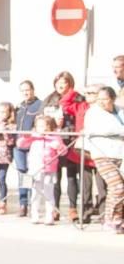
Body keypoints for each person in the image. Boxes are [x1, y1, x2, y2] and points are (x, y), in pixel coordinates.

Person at [42, 71, 90, 222]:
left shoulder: (78, 98)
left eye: (64, 82)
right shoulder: (49, 99)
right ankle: (55, 208)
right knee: (56, 176)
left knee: (71, 176)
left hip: (71, 139)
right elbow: (41, 119)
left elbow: (82, 116)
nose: (60, 85)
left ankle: (72, 208)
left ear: (70, 83)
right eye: (58, 83)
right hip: (54, 140)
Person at [83, 86, 124, 233]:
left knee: (120, 189)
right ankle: (109, 219)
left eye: (105, 99)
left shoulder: (120, 111)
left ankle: (118, 219)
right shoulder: (93, 112)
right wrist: (120, 131)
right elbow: (96, 130)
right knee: (117, 186)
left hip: (120, 153)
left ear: (112, 99)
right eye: (99, 99)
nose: (101, 102)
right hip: (102, 154)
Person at [17, 116, 68, 225]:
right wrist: (26, 137)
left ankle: (49, 216)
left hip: (49, 169)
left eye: (45, 126)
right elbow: (21, 145)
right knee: (35, 193)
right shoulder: (34, 136)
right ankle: (34, 214)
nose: (43, 128)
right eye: (40, 126)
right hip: (35, 169)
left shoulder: (55, 137)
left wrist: (59, 147)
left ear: (50, 127)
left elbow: (64, 152)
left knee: (49, 193)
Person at [14, 81, 44, 217]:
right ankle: (23, 203)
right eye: (23, 91)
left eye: (28, 90)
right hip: (19, 145)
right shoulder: (19, 106)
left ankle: (33, 204)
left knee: (32, 173)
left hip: (32, 144)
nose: (26, 93)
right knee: (22, 172)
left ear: (33, 90)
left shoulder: (40, 105)